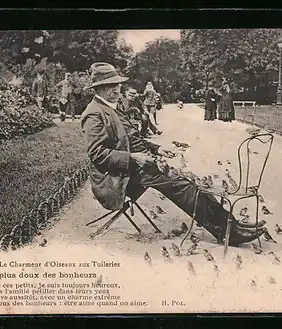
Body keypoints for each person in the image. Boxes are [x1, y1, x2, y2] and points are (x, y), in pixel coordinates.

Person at [80, 62, 266, 246]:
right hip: (117, 178)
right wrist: (133, 157)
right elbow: (98, 155)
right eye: (111, 86)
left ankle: (231, 224)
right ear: (99, 89)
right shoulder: (94, 114)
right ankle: (227, 233)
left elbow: (131, 140)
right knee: (183, 186)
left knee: (192, 182)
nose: (117, 90)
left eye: (117, 84)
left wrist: (157, 149)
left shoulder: (111, 107)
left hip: (137, 166)